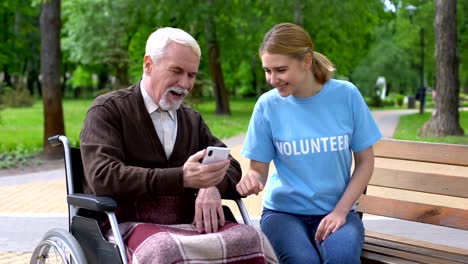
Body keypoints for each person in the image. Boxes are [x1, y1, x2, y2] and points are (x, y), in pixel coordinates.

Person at [80, 27, 277, 263]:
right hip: (125, 220)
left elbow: (230, 165)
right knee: (164, 249)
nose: (184, 83)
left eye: (191, 75)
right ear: (148, 65)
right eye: (176, 71)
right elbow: (103, 177)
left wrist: (210, 185)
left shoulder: (191, 119)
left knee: (252, 239)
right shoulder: (109, 110)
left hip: (189, 219)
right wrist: (182, 178)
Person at [236, 23, 382, 264]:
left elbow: (366, 163)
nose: (272, 79)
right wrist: (252, 179)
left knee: (342, 258)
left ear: (306, 61)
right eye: (267, 70)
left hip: (337, 210)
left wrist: (341, 211)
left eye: (280, 69)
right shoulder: (267, 106)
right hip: (283, 214)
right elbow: (257, 170)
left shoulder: (347, 95)